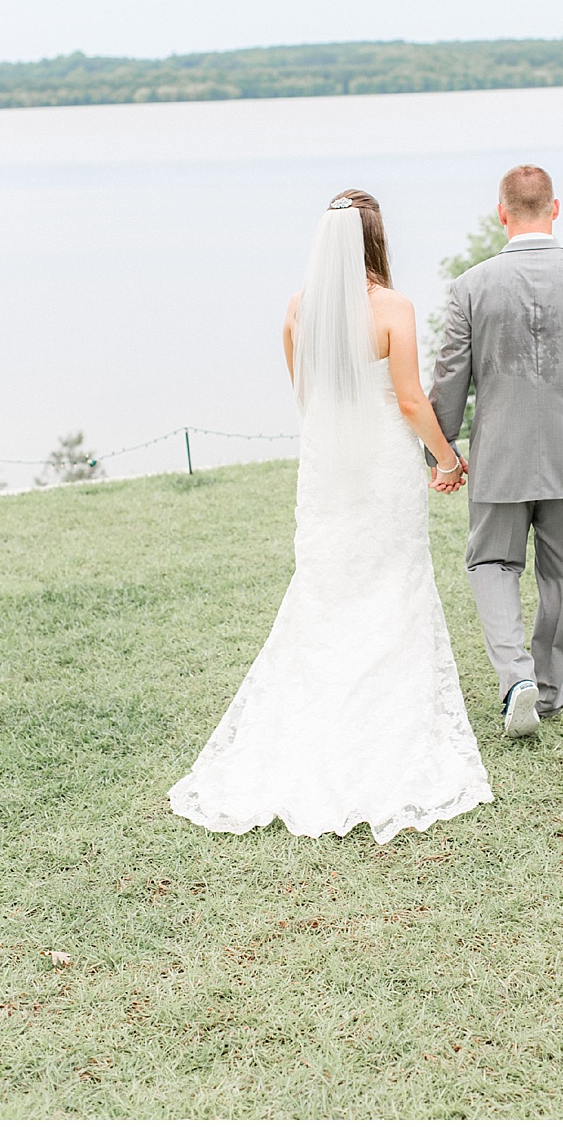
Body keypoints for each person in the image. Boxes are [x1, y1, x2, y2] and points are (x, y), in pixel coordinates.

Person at [169, 190, 493, 844]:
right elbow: (407, 397)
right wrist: (448, 457)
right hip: (382, 468)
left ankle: (316, 722)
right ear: (377, 242)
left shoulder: (298, 309)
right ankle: (382, 728)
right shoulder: (394, 308)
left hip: (328, 472)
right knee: (392, 580)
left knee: (328, 590)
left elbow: (306, 396)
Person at [428, 164, 563, 738]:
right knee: (562, 573)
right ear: (555, 207)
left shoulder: (470, 286)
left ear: (501, 213)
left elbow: (450, 379)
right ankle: (548, 689)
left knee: (490, 563)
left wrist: (441, 452)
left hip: (500, 457)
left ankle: (515, 678)